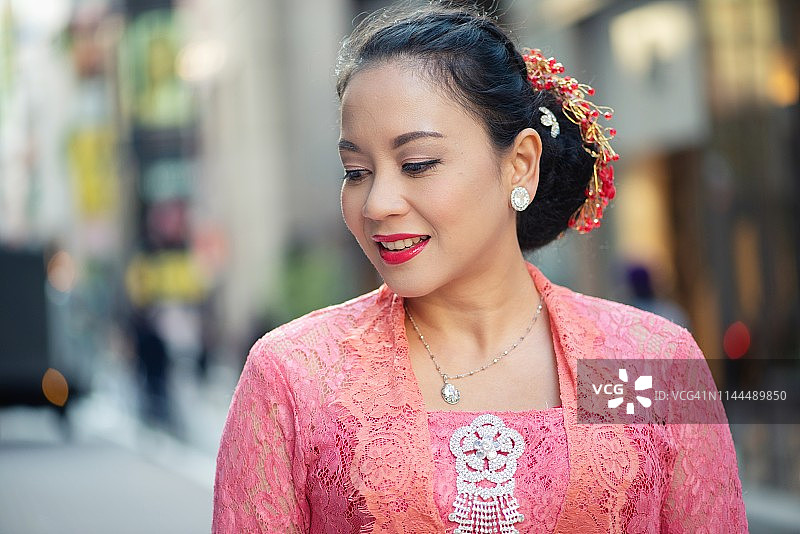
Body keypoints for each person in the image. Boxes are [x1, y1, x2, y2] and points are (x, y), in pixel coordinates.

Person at [213, 3, 748, 533]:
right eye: (356, 171)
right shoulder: (298, 375)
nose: (377, 204)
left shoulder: (642, 360)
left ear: (520, 164)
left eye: (417, 164)